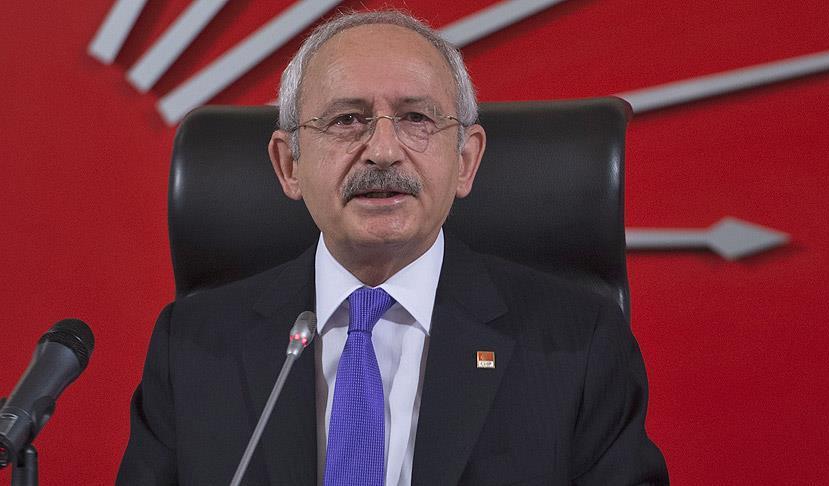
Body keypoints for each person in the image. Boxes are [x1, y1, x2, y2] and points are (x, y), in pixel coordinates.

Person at [117, 10, 668, 486]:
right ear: (289, 165)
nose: (383, 150)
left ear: (466, 161)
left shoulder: (579, 344)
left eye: (416, 119)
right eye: (347, 120)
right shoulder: (192, 348)